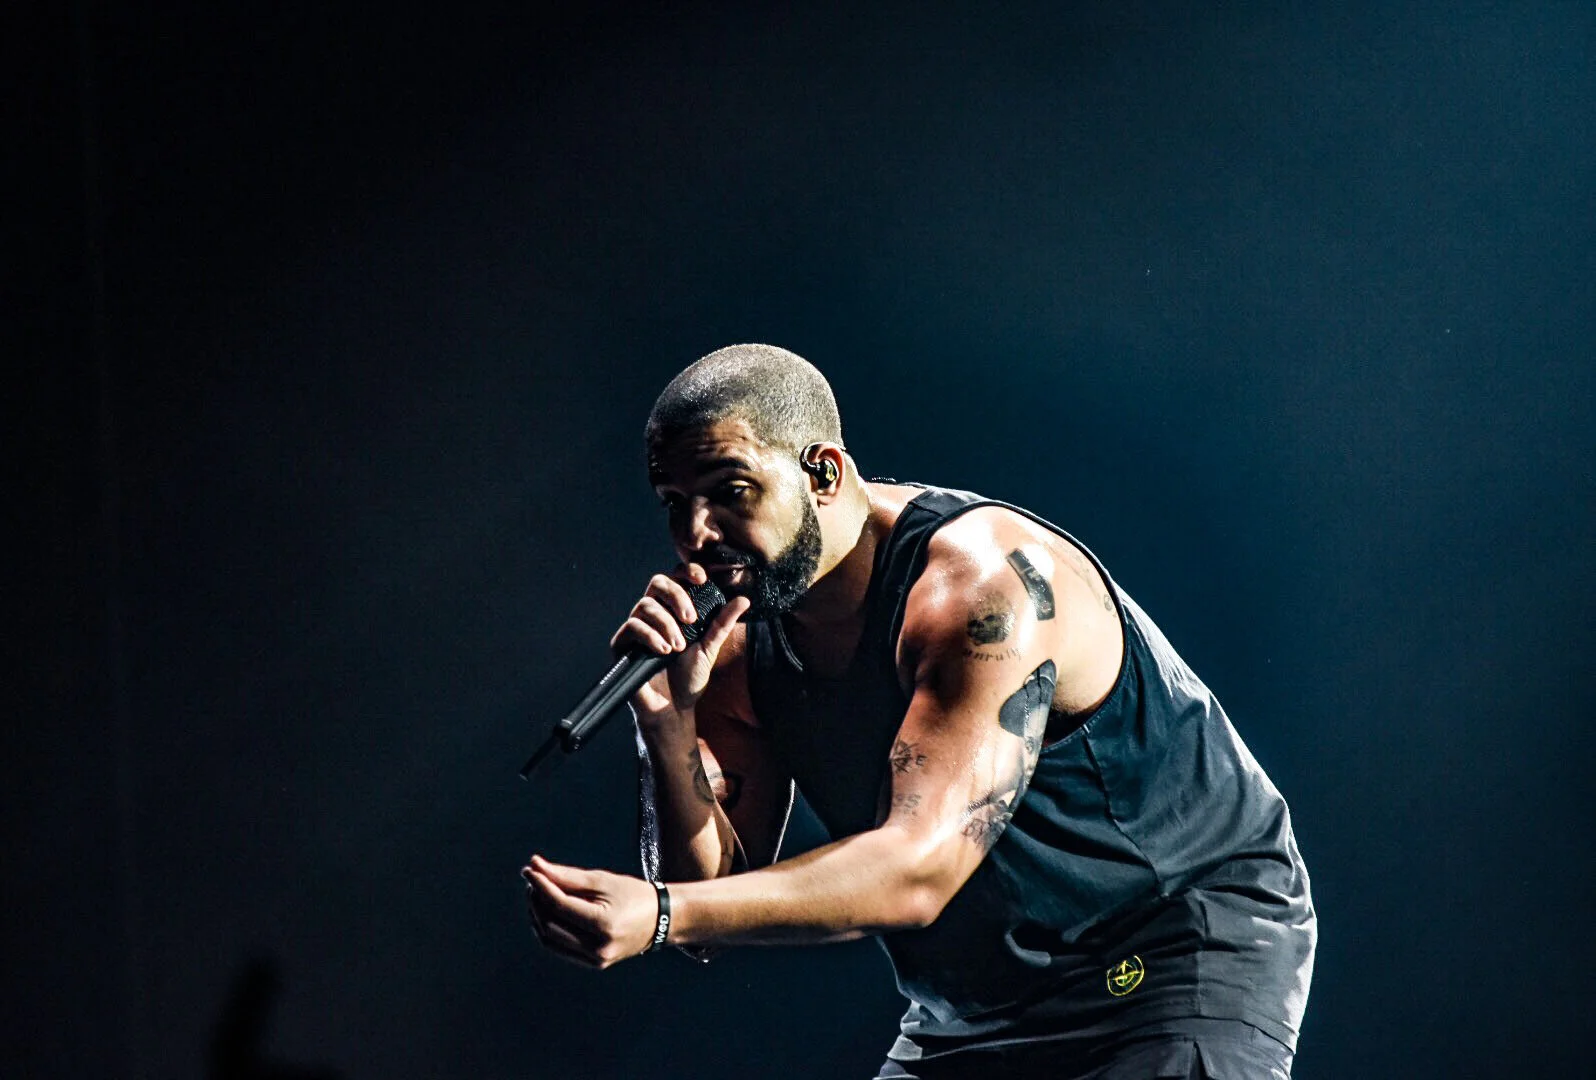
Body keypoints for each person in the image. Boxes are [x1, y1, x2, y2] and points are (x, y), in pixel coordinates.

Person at [521, 344, 1315, 1079]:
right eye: (673, 502)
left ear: (824, 474)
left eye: (730, 491)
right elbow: (716, 894)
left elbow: (918, 869)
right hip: (972, 1009)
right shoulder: (736, 639)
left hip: (1162, 961)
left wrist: (658, 914)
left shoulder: (982, 587)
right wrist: (668, 728)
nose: (695, 536)